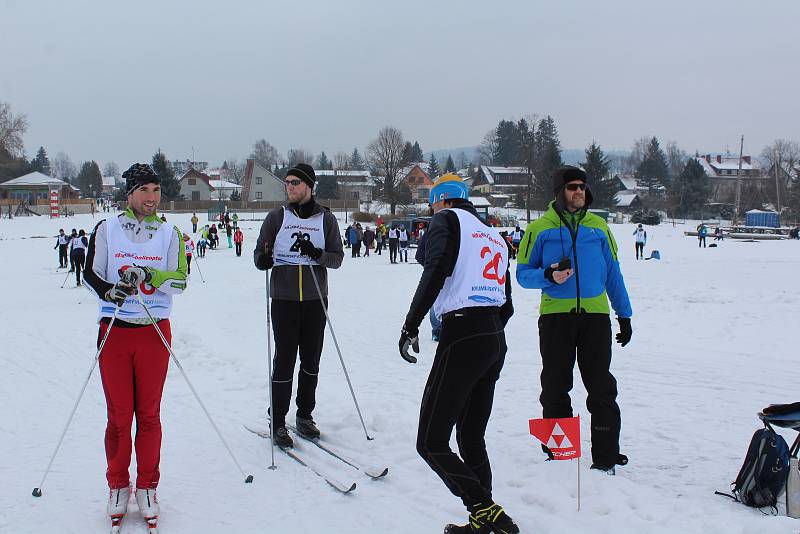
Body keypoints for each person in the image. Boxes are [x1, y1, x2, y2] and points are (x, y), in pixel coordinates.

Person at [399, 174, 518, 534]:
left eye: (431, 204)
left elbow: (433, 267)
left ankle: (485, 508)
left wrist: (411, 323)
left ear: (440, 201)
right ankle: (482, 523)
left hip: (464, 333)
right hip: (494, 337)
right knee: (470, 437)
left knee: (430, 442)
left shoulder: (445, 219)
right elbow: (507, 303)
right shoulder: (492, 233)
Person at [83, 163, 188, 527]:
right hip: (115, 330)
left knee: (148, 415)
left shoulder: (170, 231)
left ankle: (146, 486)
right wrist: (108, 291)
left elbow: (180, 281)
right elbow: (91, 272)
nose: (152, 198)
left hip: (154, 331)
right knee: (118, 416)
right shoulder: (108, 227)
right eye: (145, 190)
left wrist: (151, 275)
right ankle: (117, 484)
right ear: (129, 193)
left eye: (156, 191)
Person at [516, 165, 632, 474]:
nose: (579, 191)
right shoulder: (539, 229)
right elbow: (522, 275)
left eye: (582, 186)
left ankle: (606, 459)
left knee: (602, 388)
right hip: (556, 318)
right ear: (559, 191)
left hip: (595, 317)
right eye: (572, 187)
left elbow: (613, 274)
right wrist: (549, 275)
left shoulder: (598, 227)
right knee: (555, 387)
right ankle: (560, 453)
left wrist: (625, 314)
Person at [253, 163, 344, 448]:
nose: (290, 187)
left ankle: (305, 415)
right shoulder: (276, 217)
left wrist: (317, 254)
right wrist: (263, 260)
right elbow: (259, 254)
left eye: (295, 183)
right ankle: (278, 419)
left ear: (309, 186)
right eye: (287, 183)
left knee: (311, 360)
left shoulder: (326, 219)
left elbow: (337, 258)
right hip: (284, 299)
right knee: (284, 360)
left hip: (316, 299)